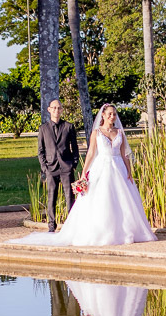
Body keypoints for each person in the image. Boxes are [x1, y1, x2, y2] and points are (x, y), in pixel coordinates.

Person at [15, 103, 157, 247]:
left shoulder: (119, 132)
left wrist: (129, 171)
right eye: (109, 114)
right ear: (103, 115)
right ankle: (100, 231)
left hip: (118, 168)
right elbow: (90, 153)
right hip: (102, 167)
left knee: (123, 200)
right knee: (102, 199)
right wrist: (84, 172)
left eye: (114, 114)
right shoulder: (97, 133)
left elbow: (124, 154)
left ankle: (124, 231)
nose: (112, 116)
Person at [38, 99, 80, 233]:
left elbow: (75, 147)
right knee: (52, 197)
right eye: (54, 108)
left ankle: (71, 224)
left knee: (69, 197)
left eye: (59, 108)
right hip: (51, 168)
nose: (56, 110)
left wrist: (73, 164)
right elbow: (40, 151)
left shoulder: (68, 126)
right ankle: (51, 225)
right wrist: (44, 167)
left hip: (66, 167)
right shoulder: (43, 129)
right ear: (49, 110)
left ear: (62, 110)